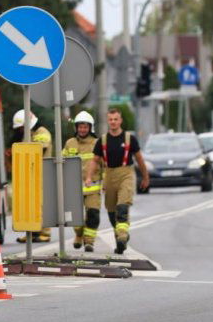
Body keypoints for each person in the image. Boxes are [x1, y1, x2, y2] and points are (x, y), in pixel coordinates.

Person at [85, 108, 150, 254]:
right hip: (109, 175)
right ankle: (120, 238)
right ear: (108, 121)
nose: (113, 122)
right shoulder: (102, 140)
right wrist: (89, 177)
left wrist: (145, 177)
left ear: (120, 121)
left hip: (126, 173)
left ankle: (122, 236)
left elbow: (139, 159)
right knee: (111, 210)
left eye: (116, 119)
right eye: (110, 119)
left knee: (122, 206)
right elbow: (94, 161)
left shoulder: (129, 139)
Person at [62, 111, 102, 252]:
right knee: (75, 219)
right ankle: (79, 234)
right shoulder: (70, 143)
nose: (82, 129)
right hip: (74, 189)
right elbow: (62, 163)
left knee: (93, 215)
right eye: (80, 127)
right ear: (76, 128)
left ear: (90, 128)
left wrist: (107, 182)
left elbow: (104, 164)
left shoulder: (97, 143)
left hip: (93, 188)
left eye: (85, 127)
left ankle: (89, 242)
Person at [12, 109, 53, 243]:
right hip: (31, 174)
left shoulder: (42, 132)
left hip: (42, 173)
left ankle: (45, 233)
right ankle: (31, 232)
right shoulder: (28, 134)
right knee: (30, 205)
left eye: (21, 127)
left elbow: (39, 148)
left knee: (41, 204)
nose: (20, 130)